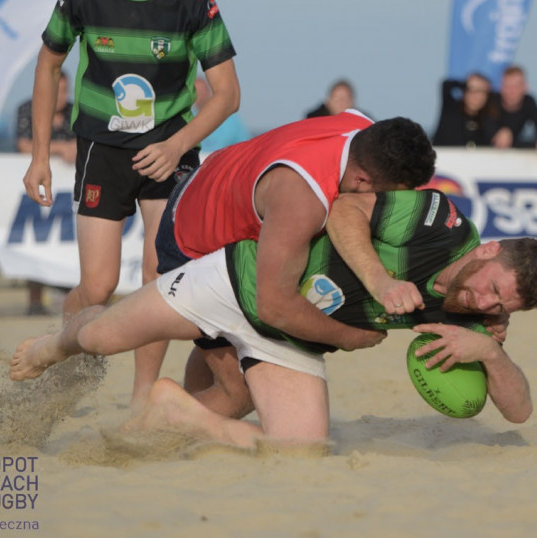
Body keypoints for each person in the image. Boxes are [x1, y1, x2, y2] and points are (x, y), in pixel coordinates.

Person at [10, 188, 537, 447]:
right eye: (492, 290)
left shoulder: (479, 323)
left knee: (300, 450)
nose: (487, 305)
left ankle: (171, 413)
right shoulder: (440, 223)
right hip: (244, 280)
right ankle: (55, 343)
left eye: (502, 306)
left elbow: (520, 411)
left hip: (292, 340)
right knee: (102, 337)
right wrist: (380, 282)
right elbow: (344, 208)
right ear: (489, 251)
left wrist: (488, 350)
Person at [22, 0, 241, 408]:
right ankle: (63, 349)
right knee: (96, 289)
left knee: (161, 277)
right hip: (102, 146)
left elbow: (228, 94)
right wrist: (38, 155)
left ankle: (142, 399)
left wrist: (178, 143)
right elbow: (48, 64)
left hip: (172, 148)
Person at [150, 112, 436, 415]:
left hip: (216, 176)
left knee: (219, 346)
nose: (383, 205)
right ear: (362, 180)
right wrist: (349, 337)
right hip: (191, 238)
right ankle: (146, 429)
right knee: (240, 392)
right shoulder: (301, 197)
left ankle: (190, 410)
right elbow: (273, 307)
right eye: (384, 197)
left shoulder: (364, 129)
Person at [16, 69, 76, 315]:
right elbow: (23, 144)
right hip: (34, 189)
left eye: (64, 91)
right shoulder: (27, 109)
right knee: (33, 241)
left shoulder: (76, 111)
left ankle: (68, 295)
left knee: (71, 243)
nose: (61, 96)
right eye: (56, 90)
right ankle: (34, 300)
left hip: (69, 191)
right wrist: (61, 148)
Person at [491, 65, 537, 158]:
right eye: (507, 86)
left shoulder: (529, 102)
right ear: (501, 88)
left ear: (526, 87)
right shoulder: (491, 102)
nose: (512, 91)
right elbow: (491, 140)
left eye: (516, 86)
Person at [432, 73, 501, 147]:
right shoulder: (451, 109)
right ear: (465, 92)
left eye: (482, 92)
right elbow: (446, 85)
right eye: (472, 90)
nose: (476, 96)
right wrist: (466, 84)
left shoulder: (488, 120)